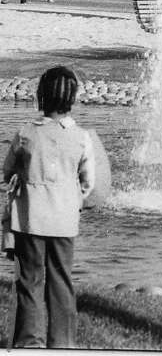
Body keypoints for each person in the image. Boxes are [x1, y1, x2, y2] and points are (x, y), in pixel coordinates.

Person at [2, 66, 95, 348]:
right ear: (73, 99)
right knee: (62, 281)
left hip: (30, 219)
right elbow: (88, 183)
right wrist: (71, 199)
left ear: (41, 95)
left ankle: (29, 342)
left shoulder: (26, 133)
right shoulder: (81, 137)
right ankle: (63, 343)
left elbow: (7, 172)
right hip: (65, 221)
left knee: (30, 281)